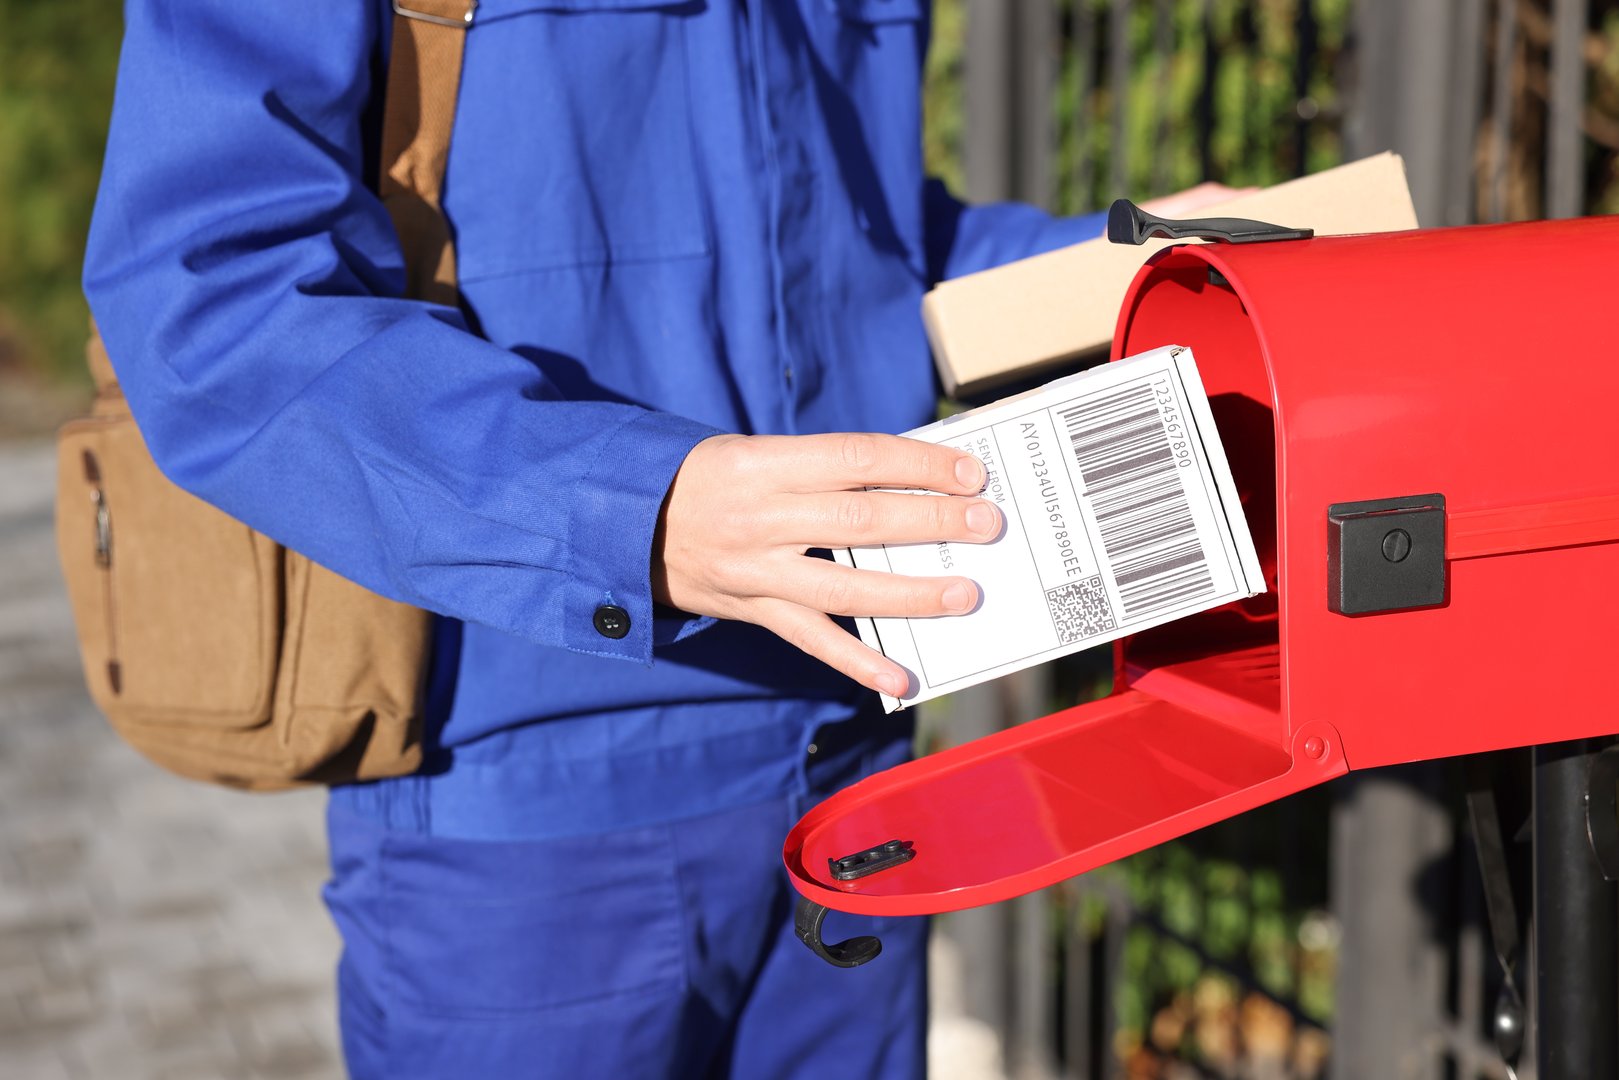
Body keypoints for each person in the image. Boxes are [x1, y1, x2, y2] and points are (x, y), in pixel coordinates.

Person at [84, 2, 1234, 1076]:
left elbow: (860, 245)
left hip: (852, 775)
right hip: (527, 819)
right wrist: (630, 508)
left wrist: (1146, 264)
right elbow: (212, 293)